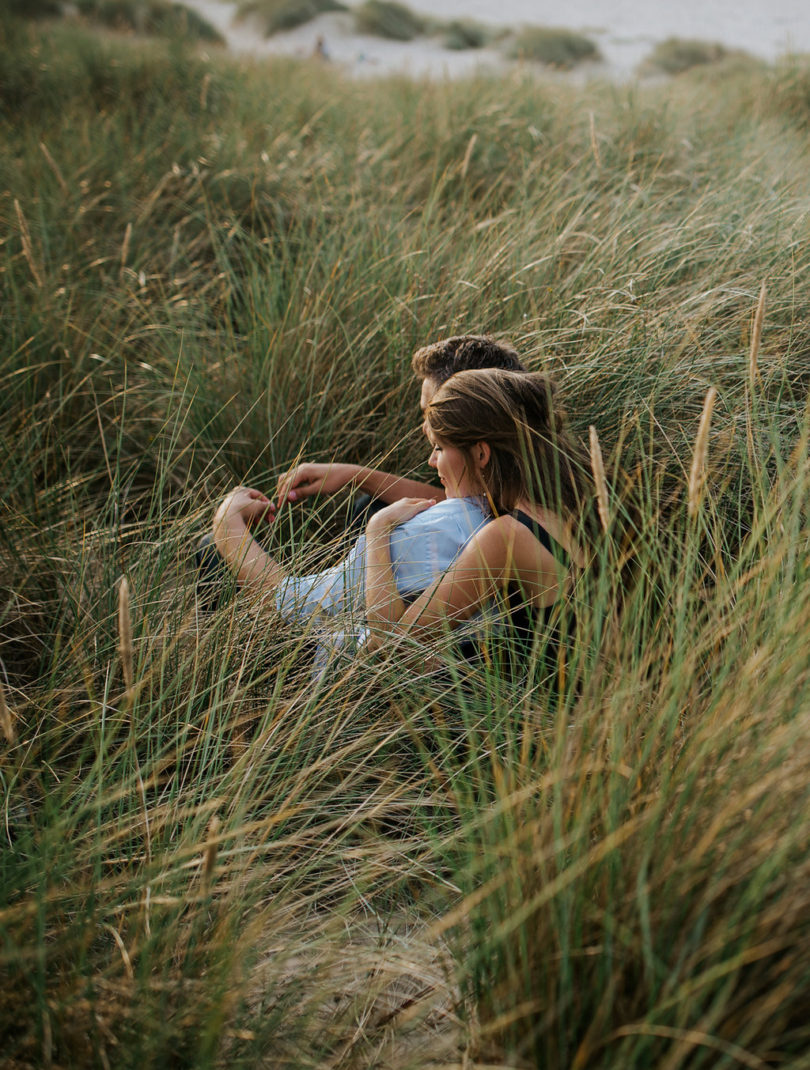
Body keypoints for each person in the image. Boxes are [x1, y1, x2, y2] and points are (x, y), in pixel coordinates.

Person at [360, 368, 593, 673]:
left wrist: (376, 530)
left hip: (537, 713)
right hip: (585, 696)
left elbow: (391, 645)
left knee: (365, 647)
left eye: (440, 448)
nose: (432, 461)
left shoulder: (507, 537)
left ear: (481, 454)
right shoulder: (568, 499)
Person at [271, 335, 527, 515]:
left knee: (370, 511)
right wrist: (354, 475)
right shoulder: (509, 467)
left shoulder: (516, 515)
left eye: (430, 413)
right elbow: (469, 502)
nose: (424, 428)